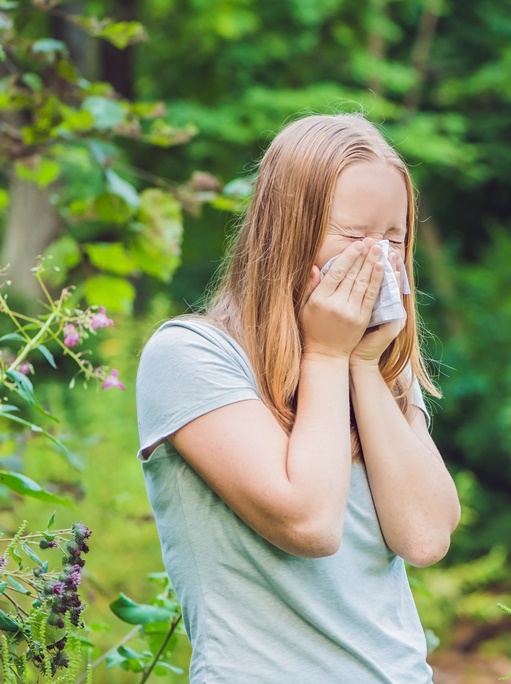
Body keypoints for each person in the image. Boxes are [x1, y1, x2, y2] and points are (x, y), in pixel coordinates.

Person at [134, 113, 461, 682]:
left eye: (393, 238)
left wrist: (359, 362)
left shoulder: (381, 367)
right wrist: (327, 356)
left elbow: (426, 535)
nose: (378, 258)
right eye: (355, 236)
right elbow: (309, 523)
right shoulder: (190, 356)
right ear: (286, 231)